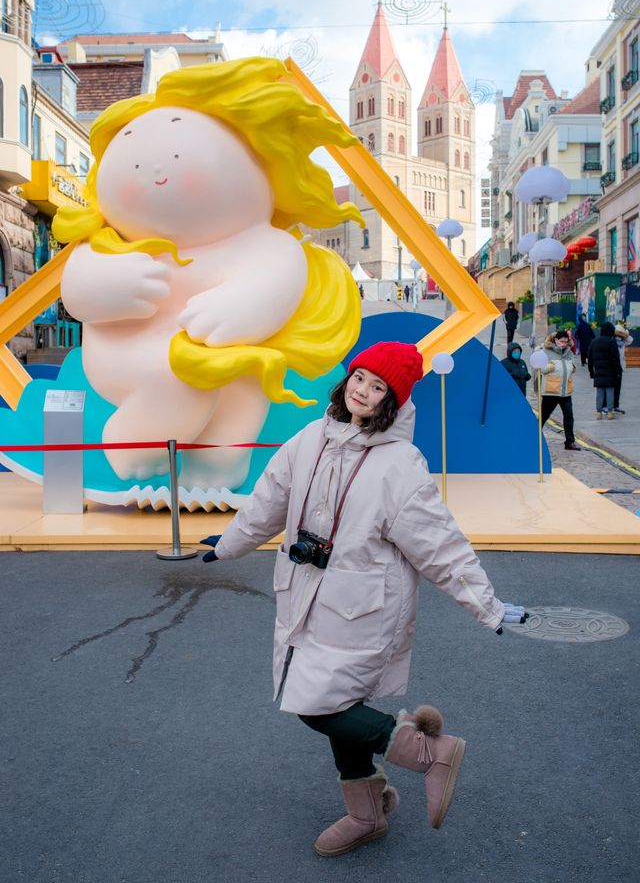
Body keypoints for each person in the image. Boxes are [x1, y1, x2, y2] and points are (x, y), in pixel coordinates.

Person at [200, 341, 527, 857]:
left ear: (392, 401)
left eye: (379, 387)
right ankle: (367, 812)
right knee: (332, 700)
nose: (364, 391)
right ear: (347, 378)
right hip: (305, 591)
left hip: (361, 608)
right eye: (361, 378)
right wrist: (230, 544)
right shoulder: (312, 437)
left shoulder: (399, 464)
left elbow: (439, 543)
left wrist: (487, 606)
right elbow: (269, 498)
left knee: (316, 705)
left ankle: (430, 752)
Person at [535, 330, 581, 450]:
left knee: (569, 416)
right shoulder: (545, 351)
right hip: (551, 390)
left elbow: (573, 365)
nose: (564, 344)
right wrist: (551, 366)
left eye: (566, 342)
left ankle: (570, 442)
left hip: (566, 390)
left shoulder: (569, 352)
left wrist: (573, 367)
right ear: (555, 340)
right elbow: (541, 368)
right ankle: (532, 437)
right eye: (561, 341)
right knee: (544, 416)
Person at [588, 321, 622, 419]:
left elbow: (590, 358)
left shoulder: (594, 342)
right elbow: (615, 359)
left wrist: (591, 372)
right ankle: (610, 412)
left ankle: (598, 413)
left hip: (598, 371)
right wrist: (618, 372)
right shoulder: (611, 342)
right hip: (610, 372)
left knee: (599, 392)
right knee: (610, 391)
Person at [613, 324, 634, 414]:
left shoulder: (623, 341)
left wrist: (625, 333)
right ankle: (608, 405)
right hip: (612, 367)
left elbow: (630, 340)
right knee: (611, 388)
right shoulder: (612, 341)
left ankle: (616, 405)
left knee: (618, 388)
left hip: (620, 367)